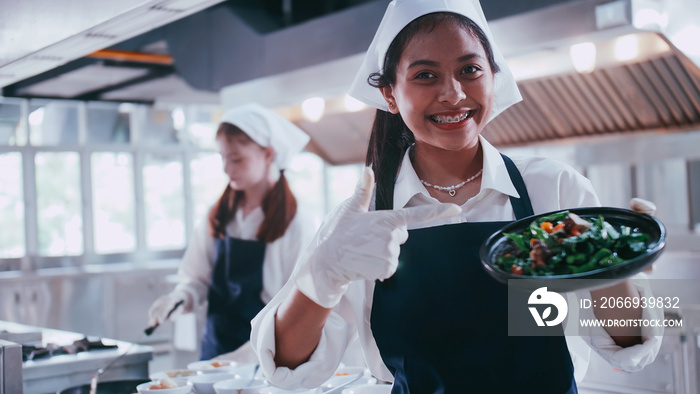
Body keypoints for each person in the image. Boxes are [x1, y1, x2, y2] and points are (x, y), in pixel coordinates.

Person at [250, 1, 662, 392]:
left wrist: (611, 264)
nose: (453, 93)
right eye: (426, 75)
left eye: (469, 69)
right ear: (390, 95)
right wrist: (323, 275)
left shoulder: (554, 190)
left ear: (493, 79)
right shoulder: (364, 219)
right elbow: (287, 366)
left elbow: (630, 344)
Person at [148, 102, 313, 360]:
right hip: (215, 350)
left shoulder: (294, 222)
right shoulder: (220, 215)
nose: (227, 168)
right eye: (223, 158)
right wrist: (179, 299)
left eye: (236, 159)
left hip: (267, 353)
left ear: (268, 154)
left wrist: (251, 355)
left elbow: (296, 305)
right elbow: (197, 280)